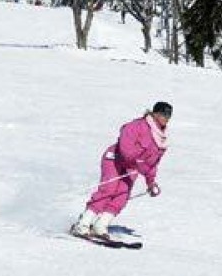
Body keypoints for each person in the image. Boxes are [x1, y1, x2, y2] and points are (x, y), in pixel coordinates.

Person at [71, 102, 172, 239]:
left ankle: (100, 225)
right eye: (163, 114)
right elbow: (125, 148)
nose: (166, 118)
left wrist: (150, 182)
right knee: (108, 189)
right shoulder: (137, 126)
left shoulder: (161, 139)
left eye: (168, 115)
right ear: (154, 113)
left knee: (122, 196)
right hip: (114, 159)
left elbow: (152, 163)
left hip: (132, 167)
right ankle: (83, 223)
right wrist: (138, 162)